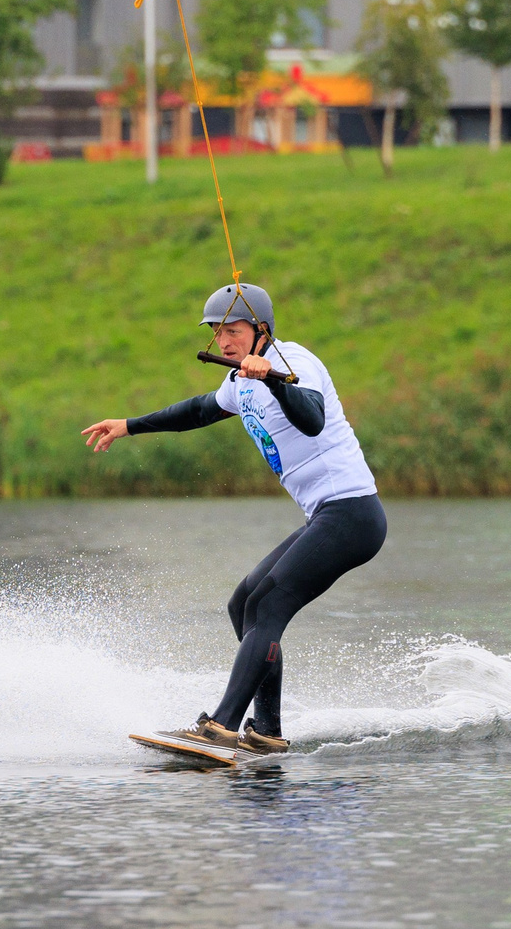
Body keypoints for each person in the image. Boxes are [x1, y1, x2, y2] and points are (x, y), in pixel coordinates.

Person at [81, 282, 385, 752]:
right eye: (216, 331)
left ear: (261, 331)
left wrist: (272, 380)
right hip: (325, 516)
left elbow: (313, 418)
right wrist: (129, 425)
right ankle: (266, 731)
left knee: (268, 605)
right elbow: (199, 410)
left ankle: (220, 726)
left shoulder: (294, 363)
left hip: (352, 514)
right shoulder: (239, 380)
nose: (223, 340)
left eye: (233, 329)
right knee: (244, 603)